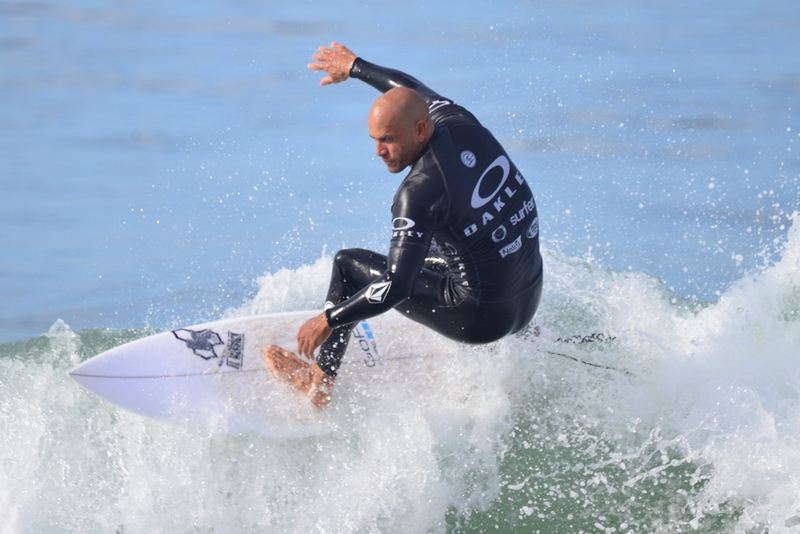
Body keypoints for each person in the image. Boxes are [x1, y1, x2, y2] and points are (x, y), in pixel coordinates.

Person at [264, 42, 543, 408]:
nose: (379, 151)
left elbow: (395, 287)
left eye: (388, 140)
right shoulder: (459, 121)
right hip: (528, 299)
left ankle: (319, 383)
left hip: (480, 320)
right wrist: (355, 66)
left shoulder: (419, 193)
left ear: (421, 130)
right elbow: (408, 85)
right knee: (438, 246)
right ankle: (520, 341)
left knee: (349, 267)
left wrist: (329, 318)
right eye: (376, 140)